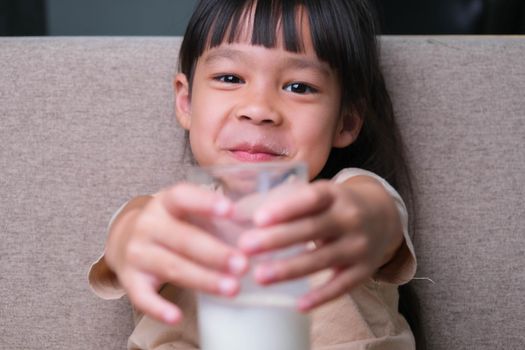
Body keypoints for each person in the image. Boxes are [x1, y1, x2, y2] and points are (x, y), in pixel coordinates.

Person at [88, 0, 418, 348]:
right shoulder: (167, 216)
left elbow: (377, 216)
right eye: (229, 78)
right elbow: (129, 232)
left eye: (299, 87)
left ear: (346, 120)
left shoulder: (346, 195)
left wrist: (357, 223)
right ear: (186, 102)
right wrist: (134, 241)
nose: (259, 109)